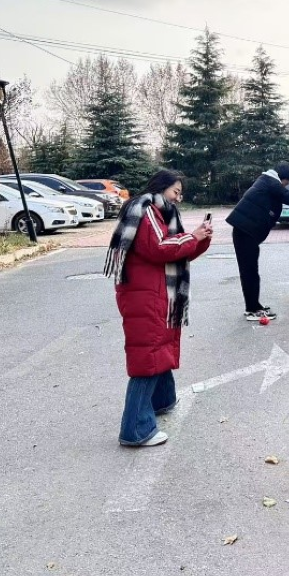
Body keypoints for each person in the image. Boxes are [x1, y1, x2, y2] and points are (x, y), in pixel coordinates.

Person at [104, 169, 213, 447]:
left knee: (157, 348)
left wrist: (200, 238)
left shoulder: (160, 213)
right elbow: (160, 248)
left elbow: (177, 251)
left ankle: (162, 401)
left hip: (154, 292)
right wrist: (193, 237)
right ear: (161, 187)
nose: (178, 197)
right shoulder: (145, 210)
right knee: (148, 357)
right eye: (176, 192)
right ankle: (135, 430)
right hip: (146, 295)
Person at [226, 163, 289, 321]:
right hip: (245, 232)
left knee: (250, 271)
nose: (288, 184)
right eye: (288, 181)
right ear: (283, 177)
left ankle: (254, 306)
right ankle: (252, 309)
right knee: (249, 272)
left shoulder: (267, 181)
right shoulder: (271, 183)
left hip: (245, 231)